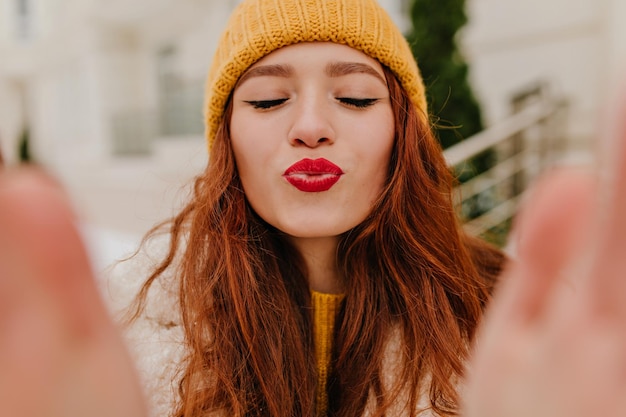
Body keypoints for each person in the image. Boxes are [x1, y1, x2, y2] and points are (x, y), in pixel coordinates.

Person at [0, 1, 625, 417]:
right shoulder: (130, 326)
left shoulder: (505, 321)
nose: (310, 126)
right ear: (226, 142)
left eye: (354, 97)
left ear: (403, 133)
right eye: (270, 101)